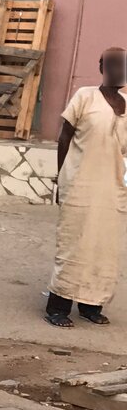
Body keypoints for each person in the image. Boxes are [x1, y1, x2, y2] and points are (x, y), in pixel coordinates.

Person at [46, 47, 127, 328]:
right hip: (80, 185)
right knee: (74, 246)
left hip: (112, 189)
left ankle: (91, 307)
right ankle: (58, 307)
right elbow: (64, 138)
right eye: (113, 65)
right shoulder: (85, 96)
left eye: (123, 65)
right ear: (102, 67)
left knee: (103, 249)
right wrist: (61, 176)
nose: (119, 70)